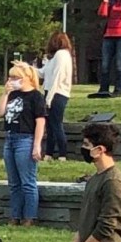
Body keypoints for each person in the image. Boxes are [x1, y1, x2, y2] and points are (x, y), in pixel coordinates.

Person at [0, 61, 47, 226]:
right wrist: (5, 94)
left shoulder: (35, 96)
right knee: (14, 182)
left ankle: (29, 217)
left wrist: (37, 145)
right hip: (10, 138)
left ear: (26, 78)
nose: (12, 80)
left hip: (26, 139)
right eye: (10, 77)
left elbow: (40, 122)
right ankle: (15, 215)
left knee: (27, 181)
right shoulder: (12, 94)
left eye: (16, 77)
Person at [40, 32, 75, 161]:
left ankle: (62, 154)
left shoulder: (62, 55)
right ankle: (49, 154)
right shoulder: (54, 58)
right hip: (50, 92)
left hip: (57, 94)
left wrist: (49, 98)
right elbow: (42, 73)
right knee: (49, 125)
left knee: (56, 124)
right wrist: (25, 67)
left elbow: (57, 78)